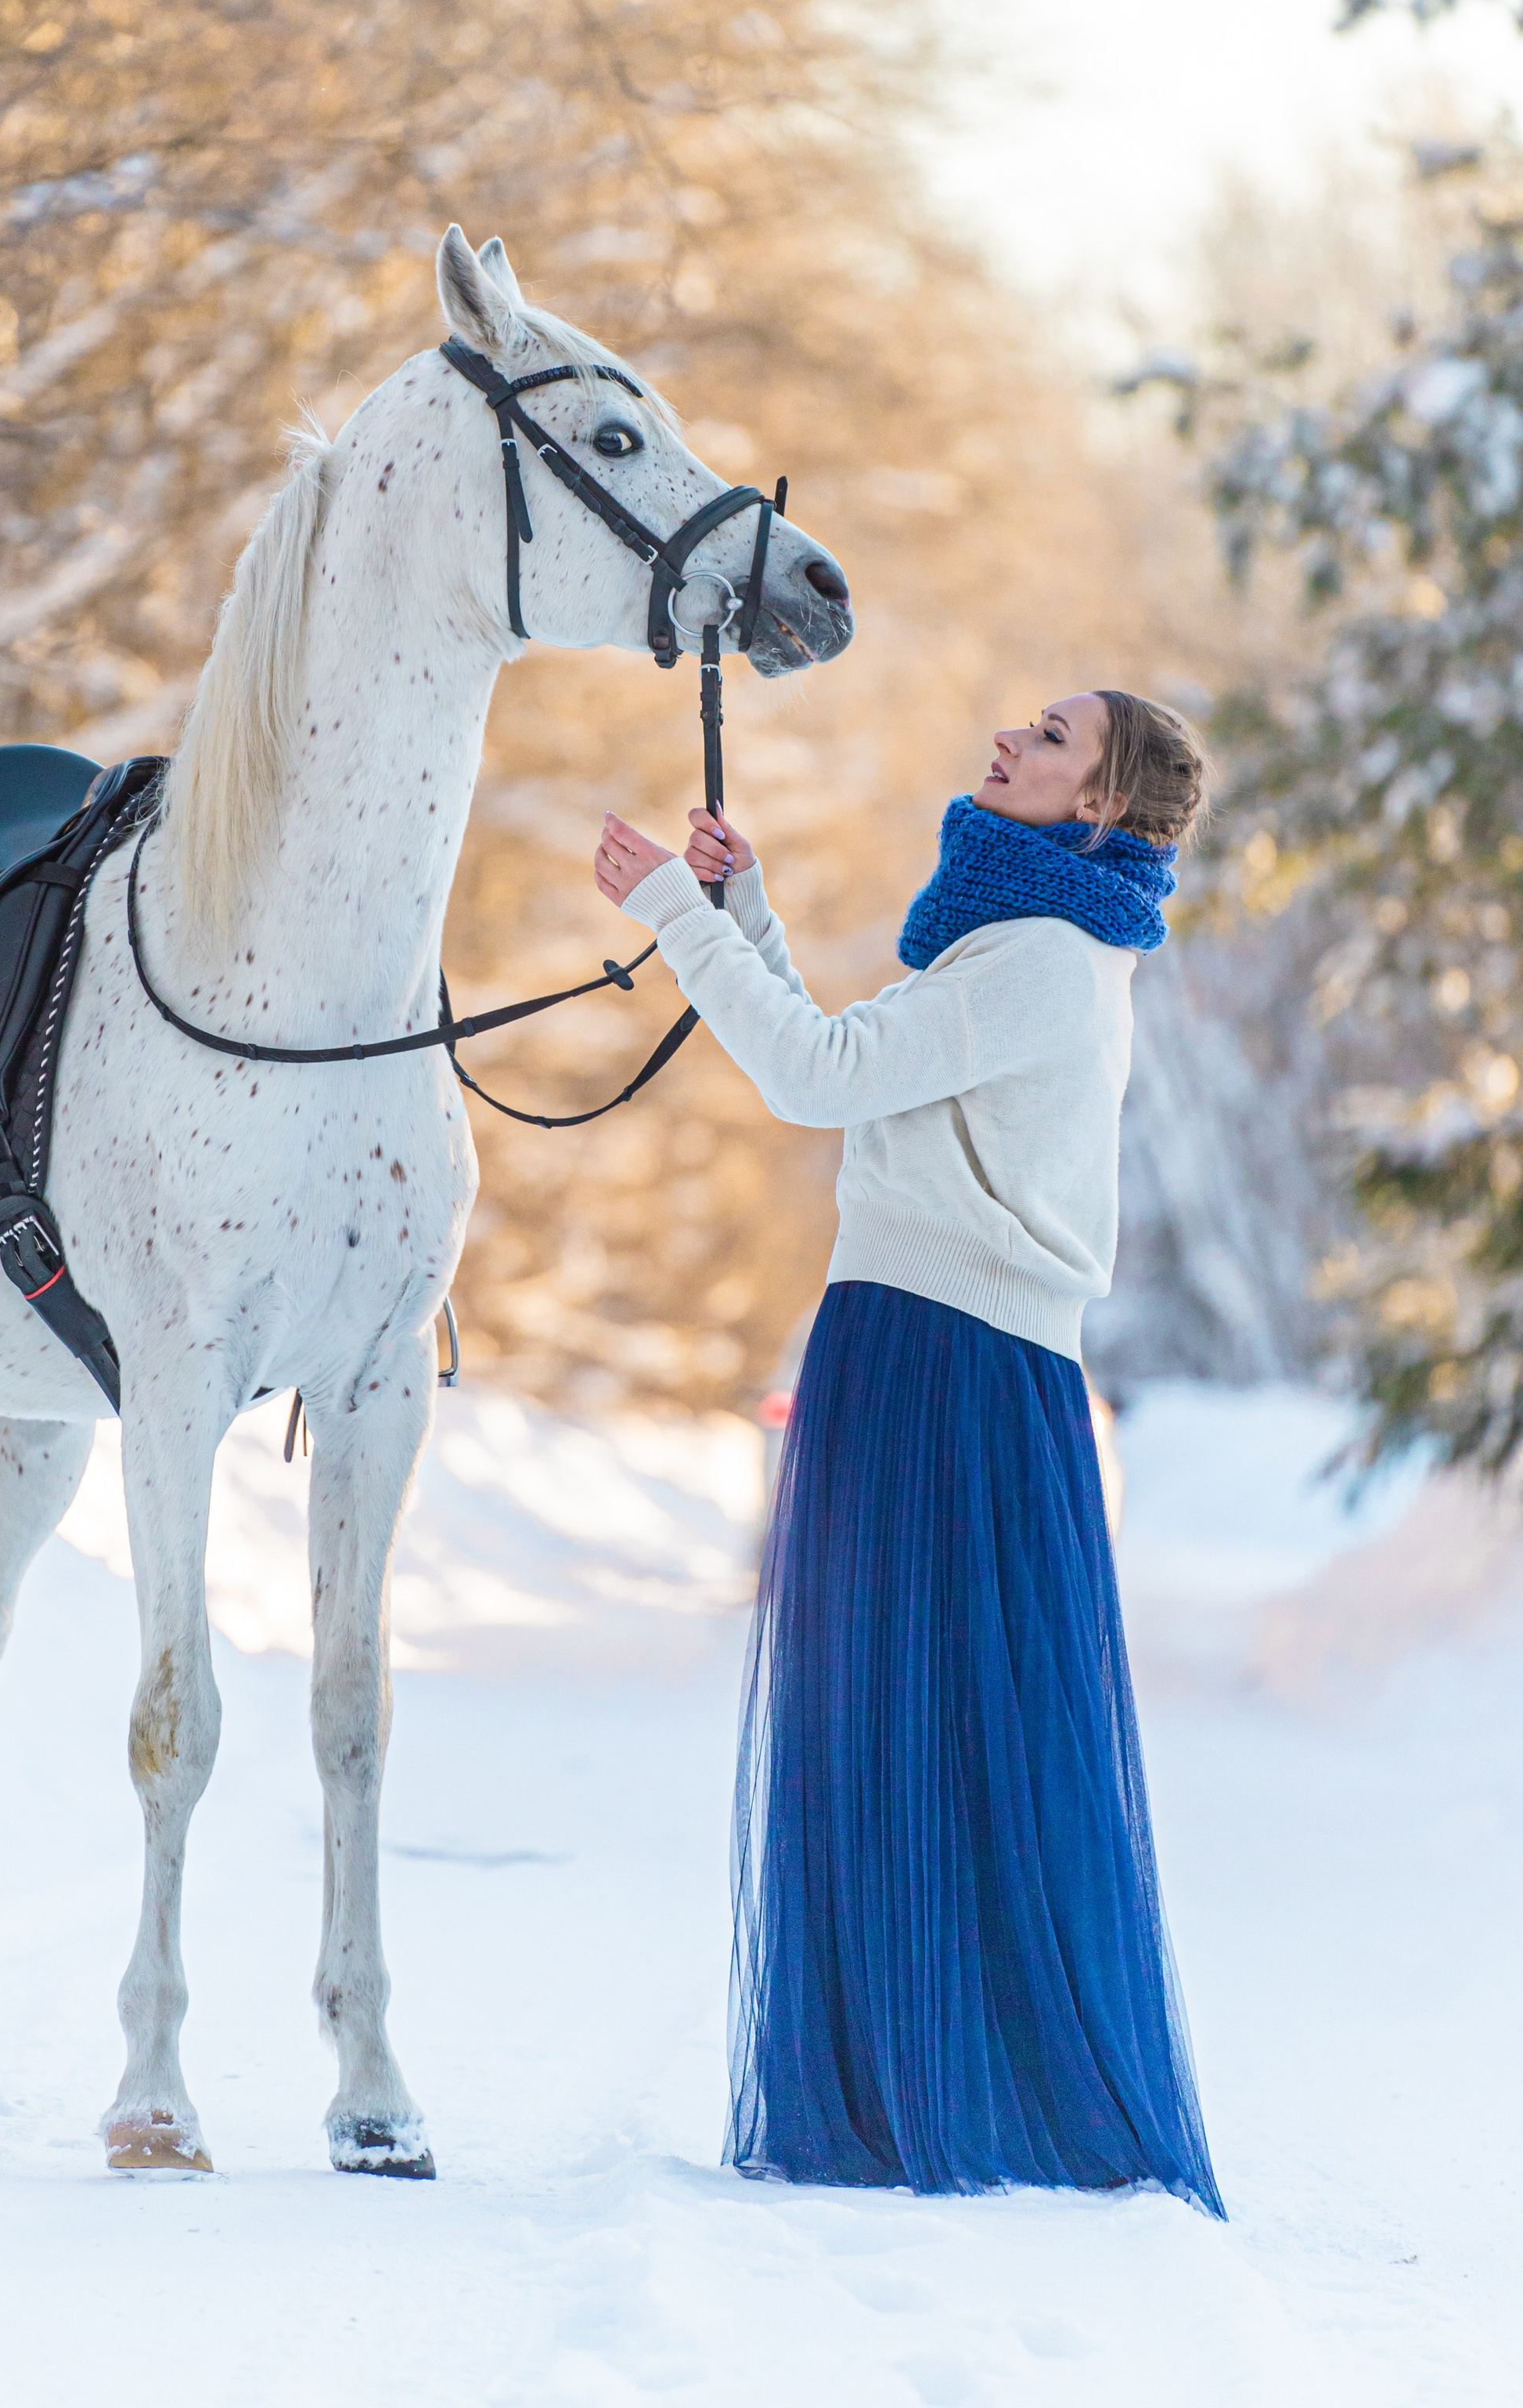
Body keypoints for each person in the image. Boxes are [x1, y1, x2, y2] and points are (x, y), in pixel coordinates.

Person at [592, 692, 1223, 2214]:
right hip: (921, 1341)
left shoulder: (1039, 964)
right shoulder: (1014, 948)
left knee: (911, 1719)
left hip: (947, 1357)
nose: (1009, 732)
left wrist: (675, 911)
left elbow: (811, 1079)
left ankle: (933, 2095)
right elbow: (856, 1071)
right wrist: (741, 910)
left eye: (1055, 737)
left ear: (1093, 810)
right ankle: (909, 2085)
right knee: (900, 1720)